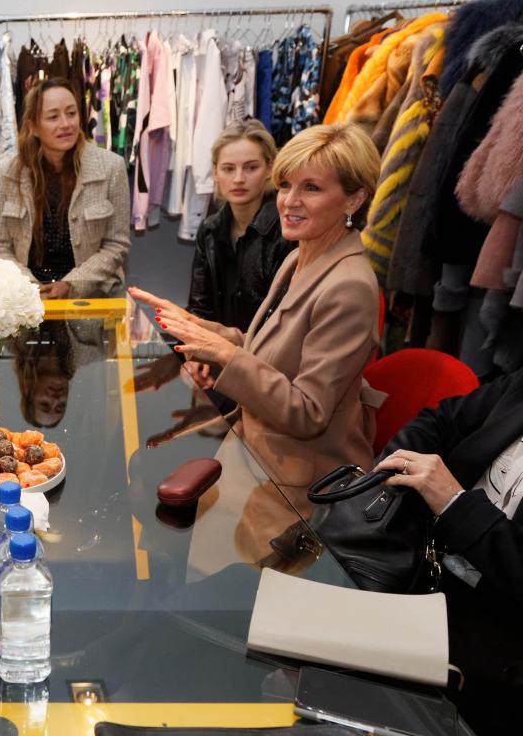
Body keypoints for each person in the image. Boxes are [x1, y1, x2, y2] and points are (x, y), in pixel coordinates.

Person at [129, 123, 385, 495]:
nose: (289, 201)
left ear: (353, 200)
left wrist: (225, 354)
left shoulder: (349, 286)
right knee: (146, 463)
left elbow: (308, 413)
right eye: (285, 185)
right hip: (257, 440)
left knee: (152, 476)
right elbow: (268, 349)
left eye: (311, 188)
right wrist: (199, 328)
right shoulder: (301, 256)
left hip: (299, 476)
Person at [368, 370, 523, 736]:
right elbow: (440, 420)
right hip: (422, 574)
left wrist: (454, 503)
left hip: (499, 642)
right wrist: (400, 465)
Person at [0, 77, 131, 299]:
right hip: (24, 294)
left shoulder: (111, 167)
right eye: (53, 117)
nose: (66, 124)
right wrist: (27, 285)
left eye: (71, 113)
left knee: (89, 331)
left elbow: (116, 245)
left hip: (92, 296)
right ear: (33, 126)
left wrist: (72, 284)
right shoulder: (9, 173)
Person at [189, 120, 295, 333]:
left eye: (251, 167)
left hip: (265, 358)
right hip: (216, 353)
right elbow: (200, 306)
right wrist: (197, 352)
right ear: (215, 173)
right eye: (228, 169)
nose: (238, 179)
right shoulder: (210, 229)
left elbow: (283, 319)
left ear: (269, 169)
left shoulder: (287, 231)